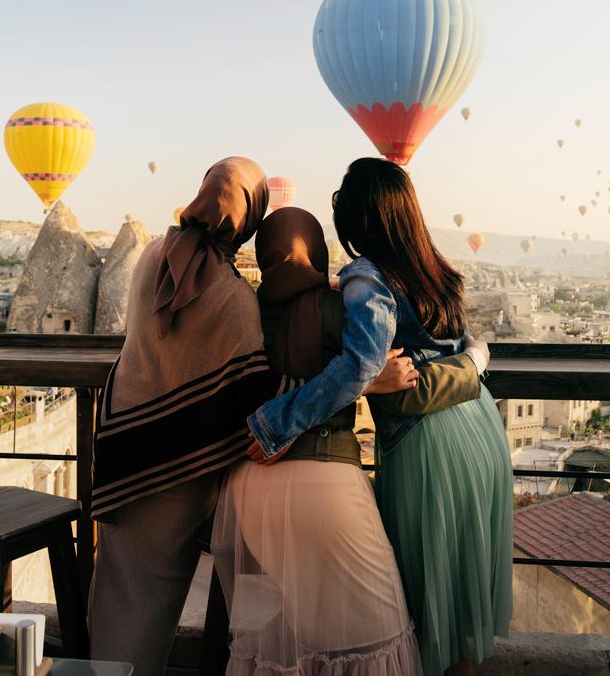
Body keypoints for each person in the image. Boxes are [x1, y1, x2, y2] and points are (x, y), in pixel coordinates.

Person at [90, 157, 427, 675]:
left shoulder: (154, 256)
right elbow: (257, 395)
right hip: (182, 466)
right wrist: (367, 379)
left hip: (123, 445)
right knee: (160, 594)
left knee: (120, 587)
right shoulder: (229, 295)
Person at [248, 158, 513, 676]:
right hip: (479, 429)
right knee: (458, 605)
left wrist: (277, 421)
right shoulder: (433, 268)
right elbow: (461, 348)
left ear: (356, 222)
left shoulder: (366, 275)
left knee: (425, 605)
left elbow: (360, 364)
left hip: (429, 442)